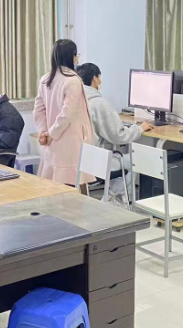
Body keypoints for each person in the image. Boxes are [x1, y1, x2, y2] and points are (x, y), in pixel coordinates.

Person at [77, 63, 154, 204]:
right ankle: (115, 199)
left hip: (82, 160)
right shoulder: (99, 104)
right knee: (136, 159)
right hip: (98, 162)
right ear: (95, 79)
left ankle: (114, 196)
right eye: (100, 77)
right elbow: (119, 135)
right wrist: (140, 128)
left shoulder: (75, 101)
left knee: (119, 156)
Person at [33, 39, 95, 186]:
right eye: (76, 55)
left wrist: (44, 132)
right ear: (72, 56)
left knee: (53, 186)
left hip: (51, 142)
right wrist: (51, 133)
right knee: (74, 184)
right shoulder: (72, 81)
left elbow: (38, 110)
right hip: (69, 141)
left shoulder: (46, 79)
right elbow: (66, 114)